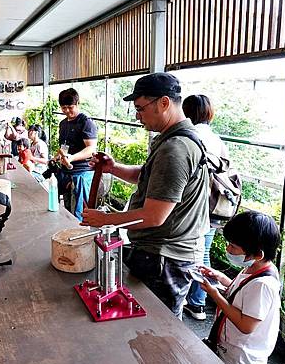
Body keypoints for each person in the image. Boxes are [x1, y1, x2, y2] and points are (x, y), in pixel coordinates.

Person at [81, 73, 209, 318]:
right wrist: (113, 168)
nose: (138, 116)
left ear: (163, 103)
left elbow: (154, 216)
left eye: (140, 109)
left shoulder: (175, 149)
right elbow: (149, 176)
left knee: (158, 328)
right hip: (163, 253)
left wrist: (105, 219)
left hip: (165, 258)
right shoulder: (174, 139)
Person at [198, 211, 281, 364]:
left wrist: (215, 295)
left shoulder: (263, 284)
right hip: (229, 348)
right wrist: (221, 278)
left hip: (241, 359)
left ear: (257, 254)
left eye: (234, 246)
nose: (228, 249)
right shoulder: (254, 267)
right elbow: (242, 294)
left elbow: (246, 325)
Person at [182, 94, 229, 321]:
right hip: (214, 205)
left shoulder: (189, 136)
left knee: (192, 253)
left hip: (195, 205)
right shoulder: (216, 138)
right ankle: (198, 303)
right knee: (203, 253)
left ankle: (189, 300)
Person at [56, 88, 97, 220]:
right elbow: (64, 145)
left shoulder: (86, 122)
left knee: (80, 212)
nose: (67, 111)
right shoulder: (63, 124)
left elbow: (91, 149)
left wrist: (72, 157)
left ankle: (81, 238)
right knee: (67, 209)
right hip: (66, 172)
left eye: (70, 107)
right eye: (63, 107)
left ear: (77, 104)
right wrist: (59, 156)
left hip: (82, 172)